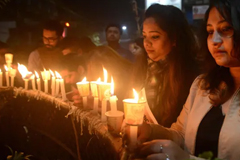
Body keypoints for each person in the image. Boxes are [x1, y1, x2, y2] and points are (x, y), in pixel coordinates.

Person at [131, 0, 240, 159]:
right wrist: (151, 130)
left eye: (226, 29)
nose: (215, 40)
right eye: (210, 32)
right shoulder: (203, 85)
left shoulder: (188, 75)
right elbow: (181, 135)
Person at [130, 4, 199, 127]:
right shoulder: (142, 66)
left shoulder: (190, 76)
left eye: (155, 37)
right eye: (144, 36)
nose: (147, 43)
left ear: (174, 39)